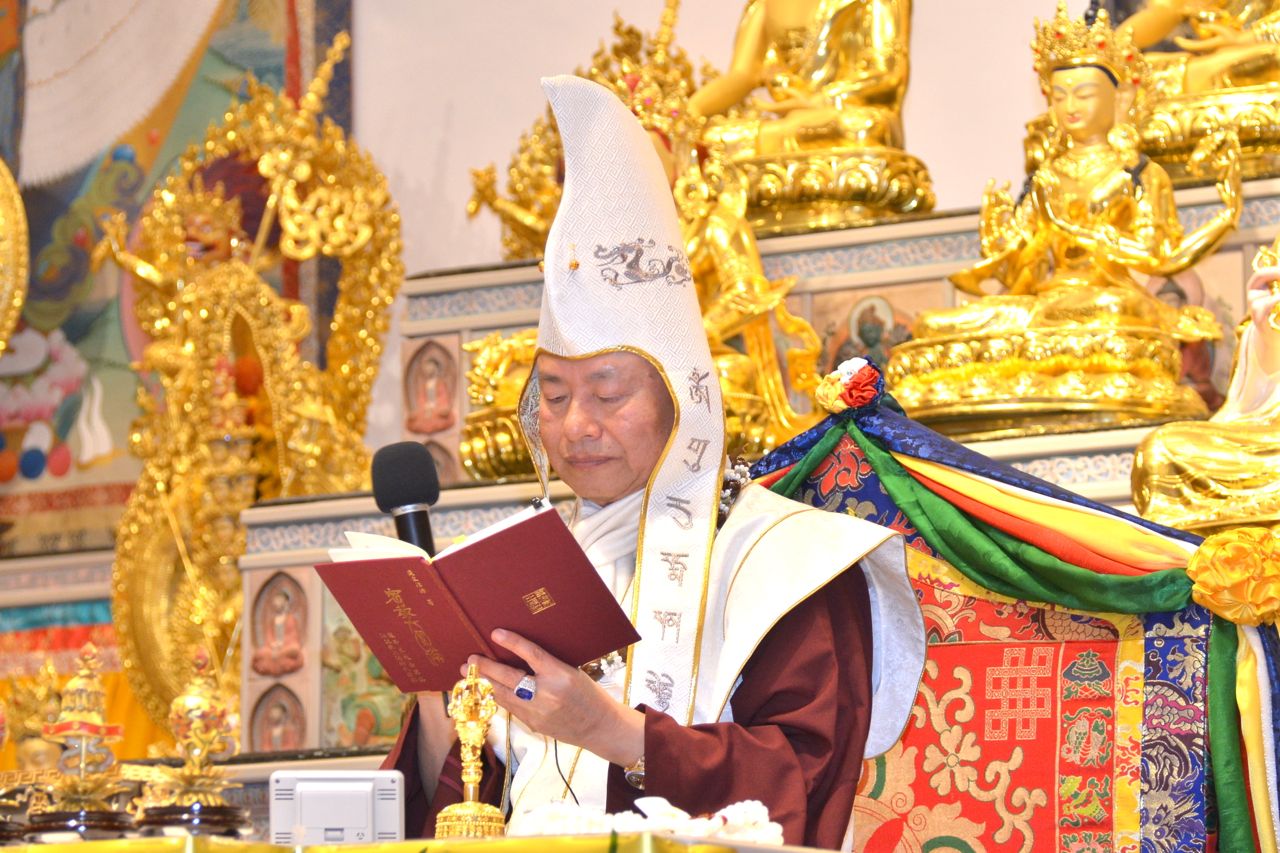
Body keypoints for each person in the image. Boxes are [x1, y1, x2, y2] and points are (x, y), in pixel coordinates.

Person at [383, 75, 924, 850]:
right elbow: (471, 803)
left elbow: (804, 778)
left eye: (608, 392)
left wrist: (612, 731)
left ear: (680, 395)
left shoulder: (783, 561)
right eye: (555, 395)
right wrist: (439, 700)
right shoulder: (524, 573)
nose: (577, 424)